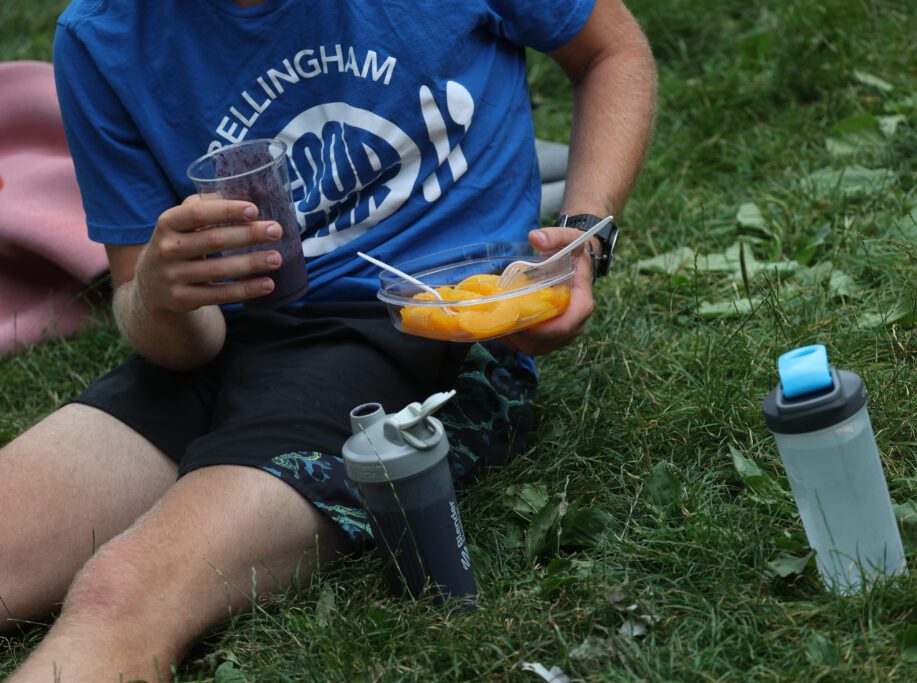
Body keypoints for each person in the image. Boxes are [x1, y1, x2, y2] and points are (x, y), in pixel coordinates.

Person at [1, 0, 656, 679]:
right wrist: (160, 296)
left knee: (124, 592)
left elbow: (611, 50)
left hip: (420, 337)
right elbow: (167, 334)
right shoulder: (103, 33)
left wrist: (584, 235)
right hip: (225, 338)